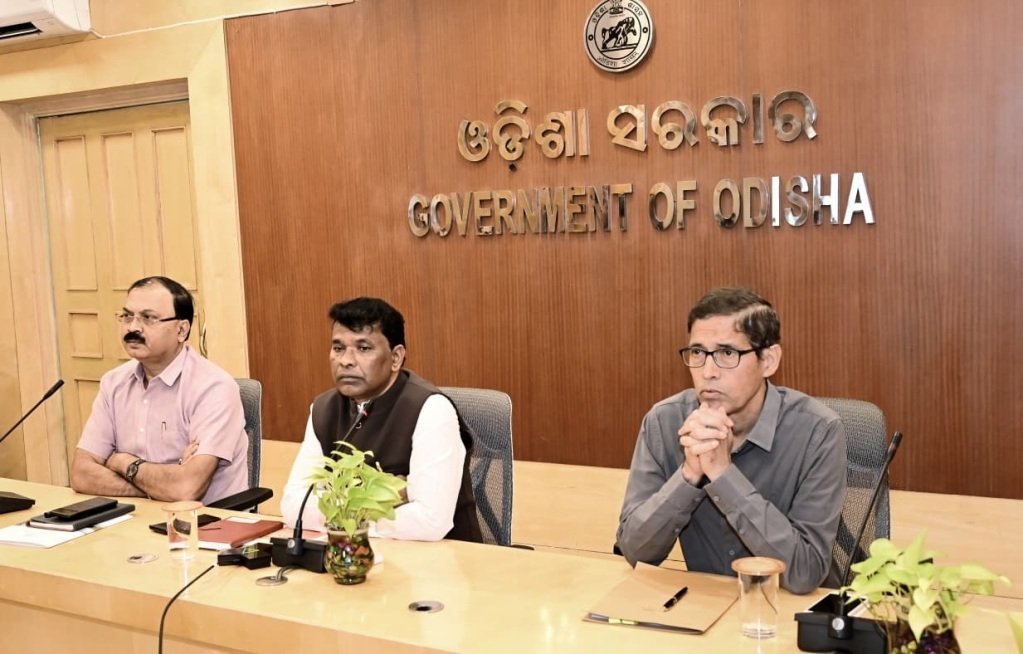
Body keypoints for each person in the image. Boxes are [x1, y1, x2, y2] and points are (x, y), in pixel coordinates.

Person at [616, 287, 847, 594]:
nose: (708, 372)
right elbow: (635, 551)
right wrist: (688, 475)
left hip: (788, 610)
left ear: (768, 360)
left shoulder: (819, 432)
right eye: (698, 353)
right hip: (704, 605)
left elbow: (805, 572)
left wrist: (724, 476)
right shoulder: (664, 422)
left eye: (727, 354)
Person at [281, 297, 482, 542]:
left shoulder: (430, 410)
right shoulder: (324, 409)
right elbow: (294, 506)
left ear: (395, 358)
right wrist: (383, 497)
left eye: (364, 348)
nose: (346, 360)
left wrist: (339, 508)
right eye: (338, 348)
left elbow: (430, 521)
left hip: (442, 557)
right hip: (355, 553)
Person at [70, 276, 248, 504]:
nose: (133, 327)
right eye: (127, 316)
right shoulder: (113, 383)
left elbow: (185, 489)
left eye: (148, 318)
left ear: (181, 330)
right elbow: (81, 474)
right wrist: (157, 488)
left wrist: (122, 462)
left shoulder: (213, 388)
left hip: (206, 520)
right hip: (136, 516)